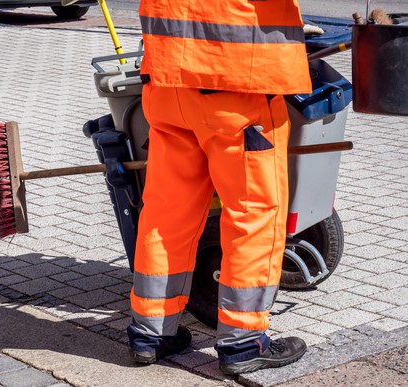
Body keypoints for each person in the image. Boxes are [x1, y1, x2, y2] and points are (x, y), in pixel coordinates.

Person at [126, 0, 312, 375]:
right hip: (236, 89)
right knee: (253, 215)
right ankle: (243, 341)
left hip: (168, 87)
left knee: (166, 214)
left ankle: (151, 333)